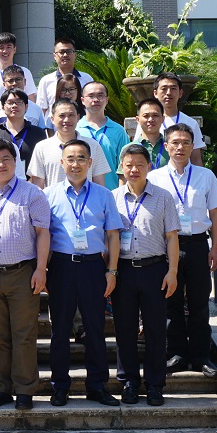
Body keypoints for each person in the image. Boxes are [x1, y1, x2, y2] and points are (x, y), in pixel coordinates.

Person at [44, 139, 123, 407]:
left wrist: (112, 270)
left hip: (93, 267)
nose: (75, 164)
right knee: (60, 330)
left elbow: (113, 235)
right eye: (70, 158)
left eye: (81, 158)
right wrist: (43, 269)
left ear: (90, 163)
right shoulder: (49, 194)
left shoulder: (103, 195)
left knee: (95, 328)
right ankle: (60, 386)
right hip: (61, 266)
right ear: (62, 163)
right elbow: (41, 236)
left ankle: (97, 386)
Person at [0, 138, 51, 410]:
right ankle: (1, 388)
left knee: (24, 334)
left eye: (6, 158)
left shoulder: (32, 193)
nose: (1, 164)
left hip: (22, 272)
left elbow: (43, 233)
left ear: (15, 162)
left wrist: (41, 269)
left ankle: (25, 389)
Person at [148, 123, 217, 378]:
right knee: (171, 302)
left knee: (200, 302)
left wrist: (214, 249)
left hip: (198, 245)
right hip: (166, 246)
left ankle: (201, 356)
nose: (180, 147)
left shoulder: (206, 176)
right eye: (175, 142)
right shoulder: (155, 178)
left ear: (193, 146)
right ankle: (176, 354)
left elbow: (215, 213)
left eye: (186, 143)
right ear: (166, 146)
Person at [113, 144, 180, 406]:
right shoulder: (113, 198)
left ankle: (154, 384)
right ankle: (129, 381)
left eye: (139, 164)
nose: (134, 169)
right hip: (123, 271)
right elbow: (109, 238)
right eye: (129, 164)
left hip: (155, 270)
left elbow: (172, 237)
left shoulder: (163, 197)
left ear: (149, 167)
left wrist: (172, 271)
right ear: (121, 167)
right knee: (125, 329)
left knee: (155, 330)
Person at [27, 99, 111, 189]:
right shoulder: (42, 147)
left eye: (71, 115)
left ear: (78, 117)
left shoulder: (93, 146)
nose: (67, 120)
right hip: (53, 198)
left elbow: (99, 183)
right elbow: (38, 186)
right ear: (52, 119)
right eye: (62, 116)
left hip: (87, 198)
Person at [137, 72, 206, 166]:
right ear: (155, 93)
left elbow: (196, 159)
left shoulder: (191, 123)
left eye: (173, 88)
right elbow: (137, 149)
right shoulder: (147, 122)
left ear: (180, 93)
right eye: (164, 88)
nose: (168, 93)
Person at [77, 81, 131, 190]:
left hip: (112, 192)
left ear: (107, 100)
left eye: (100, 95)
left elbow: (125, 164)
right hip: (81, 192)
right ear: (82, 100)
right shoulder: (76, 129)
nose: (96, 99)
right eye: (91, 96)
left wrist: (120, 193)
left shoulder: (118, 130)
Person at [36, 39, 94, 116]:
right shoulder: (46, 81)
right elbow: (41, 110)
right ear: (54, 56)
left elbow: (92, 104)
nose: (65, 55)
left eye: (69, 51)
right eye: (61, 52)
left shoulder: (87, 79)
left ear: (75, 54)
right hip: (53, 123)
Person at [0, 88, 46, 173]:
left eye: (19, 102)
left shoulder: (38, 133)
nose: (14, 105)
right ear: (3, 107)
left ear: (26, 107)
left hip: (31, 179)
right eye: (10, 103)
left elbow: (42, 162)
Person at [0, 32, 37, 103]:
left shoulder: (25, 72)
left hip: (20, 110)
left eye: (8, 47)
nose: (5, 51)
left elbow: (31, 99)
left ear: (14, 49)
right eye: (1, 48)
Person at [127, 98, 169, 175]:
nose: (150, 119)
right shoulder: (128, 148)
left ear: (163, 119)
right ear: (138, 119)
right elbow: (123, 180)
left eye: (155, 115)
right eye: (146, 116)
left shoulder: (171, 148)